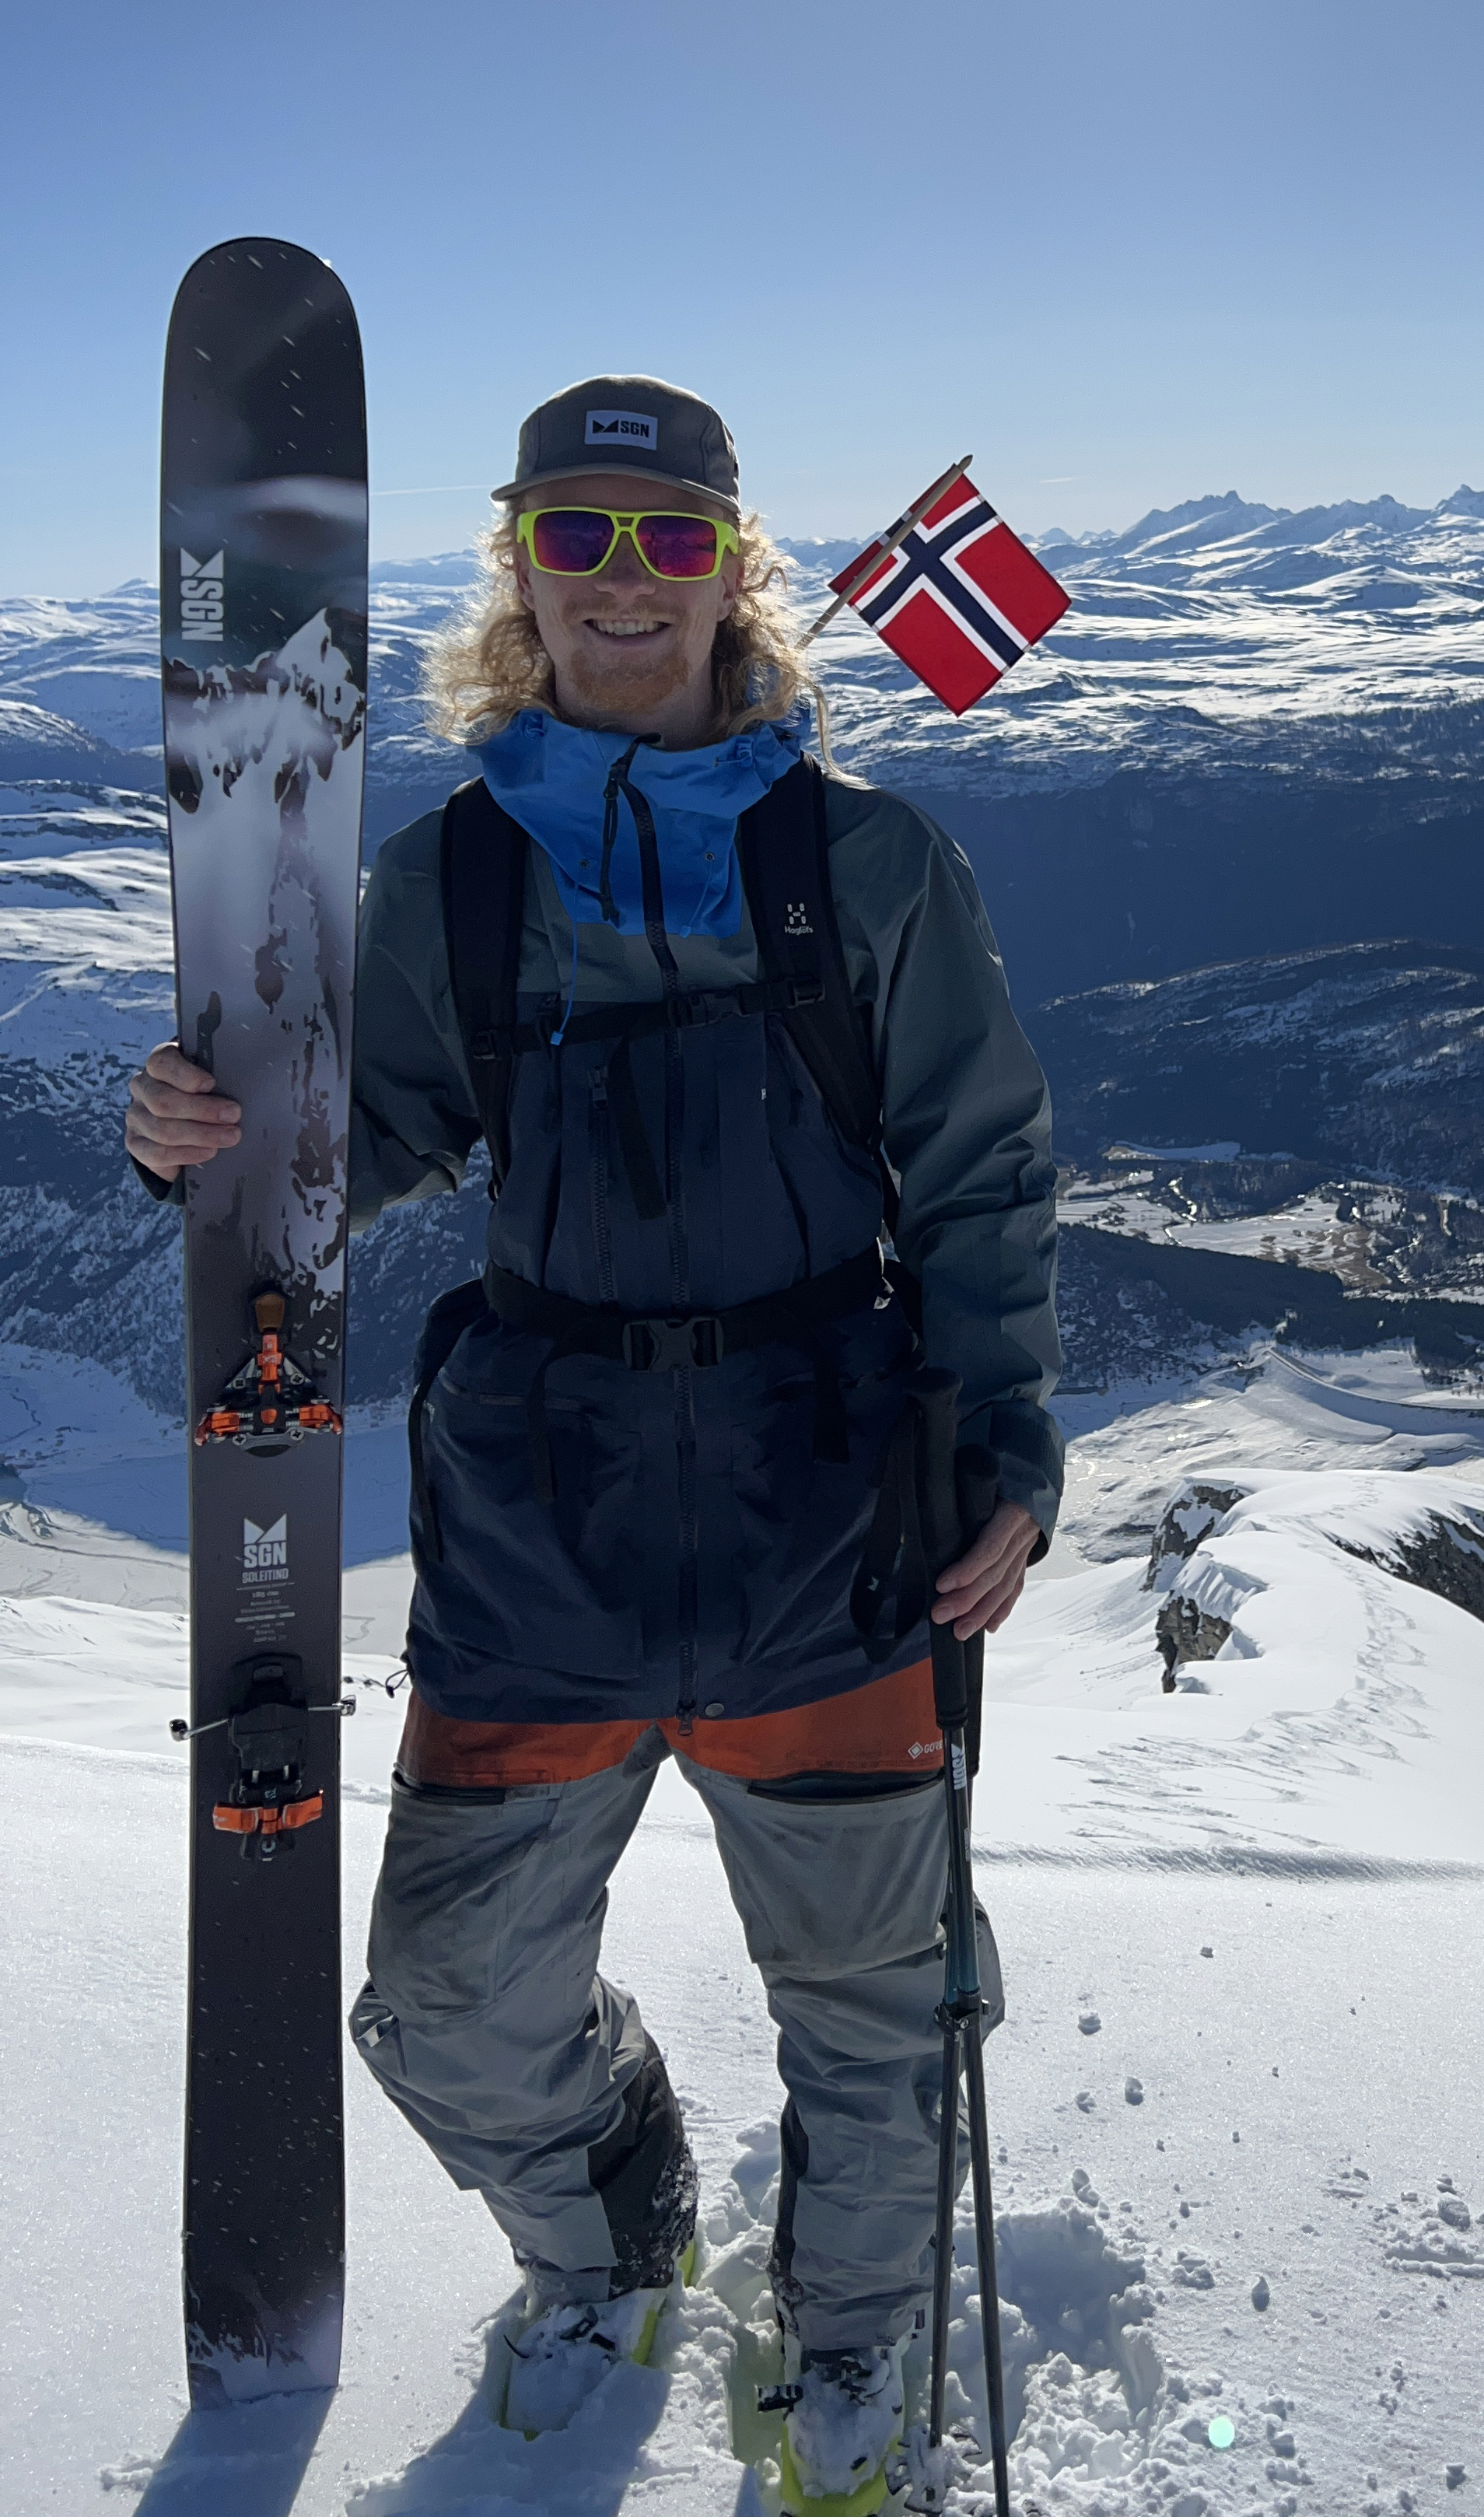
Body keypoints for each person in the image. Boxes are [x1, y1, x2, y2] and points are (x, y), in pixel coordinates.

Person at [126, 377, 1061, 2488]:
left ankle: (848, 2351)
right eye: (575, 536)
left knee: (883, 2021)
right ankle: (618, 2207)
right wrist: (206, 1137)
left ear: (735, 571)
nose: (620, 583)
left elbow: (983, 1171)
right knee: (444, 2008)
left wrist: (1005, 1448)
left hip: (835, 1519)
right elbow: (360, 1146)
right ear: (516, 567)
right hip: (543, 1535)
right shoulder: (453, 880)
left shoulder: (870, 865)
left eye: (665, 540)